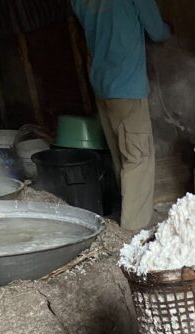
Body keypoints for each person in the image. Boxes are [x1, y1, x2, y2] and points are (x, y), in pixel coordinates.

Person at [71, 0, 172, 231]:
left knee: (121, 154)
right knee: (138, 157)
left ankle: (128, 213)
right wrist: (170, 30)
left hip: (102, 86)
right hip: (128, 87)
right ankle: (134, 227)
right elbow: (157, 32)